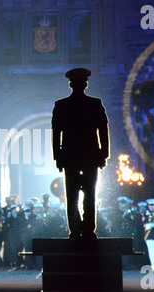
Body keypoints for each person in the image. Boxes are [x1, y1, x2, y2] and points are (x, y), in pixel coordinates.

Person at [52, 68, 110, 241]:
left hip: (70, 157)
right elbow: (103, 132)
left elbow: (56, 134)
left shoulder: (61, 105)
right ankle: (88, 231)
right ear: (85, 85)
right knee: (90, 195)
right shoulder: (95, 104)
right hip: (90, 156)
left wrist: (58, 157)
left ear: (71, 85)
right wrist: (103, 155)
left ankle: (75, 231)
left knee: (72, 196)